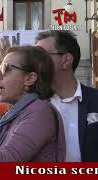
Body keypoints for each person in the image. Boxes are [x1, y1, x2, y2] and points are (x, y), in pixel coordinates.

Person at [36, 30, 98, 162]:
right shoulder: (33, 103)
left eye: (41, 55)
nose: (35, 62)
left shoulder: (95, 100)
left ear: (66, 60)